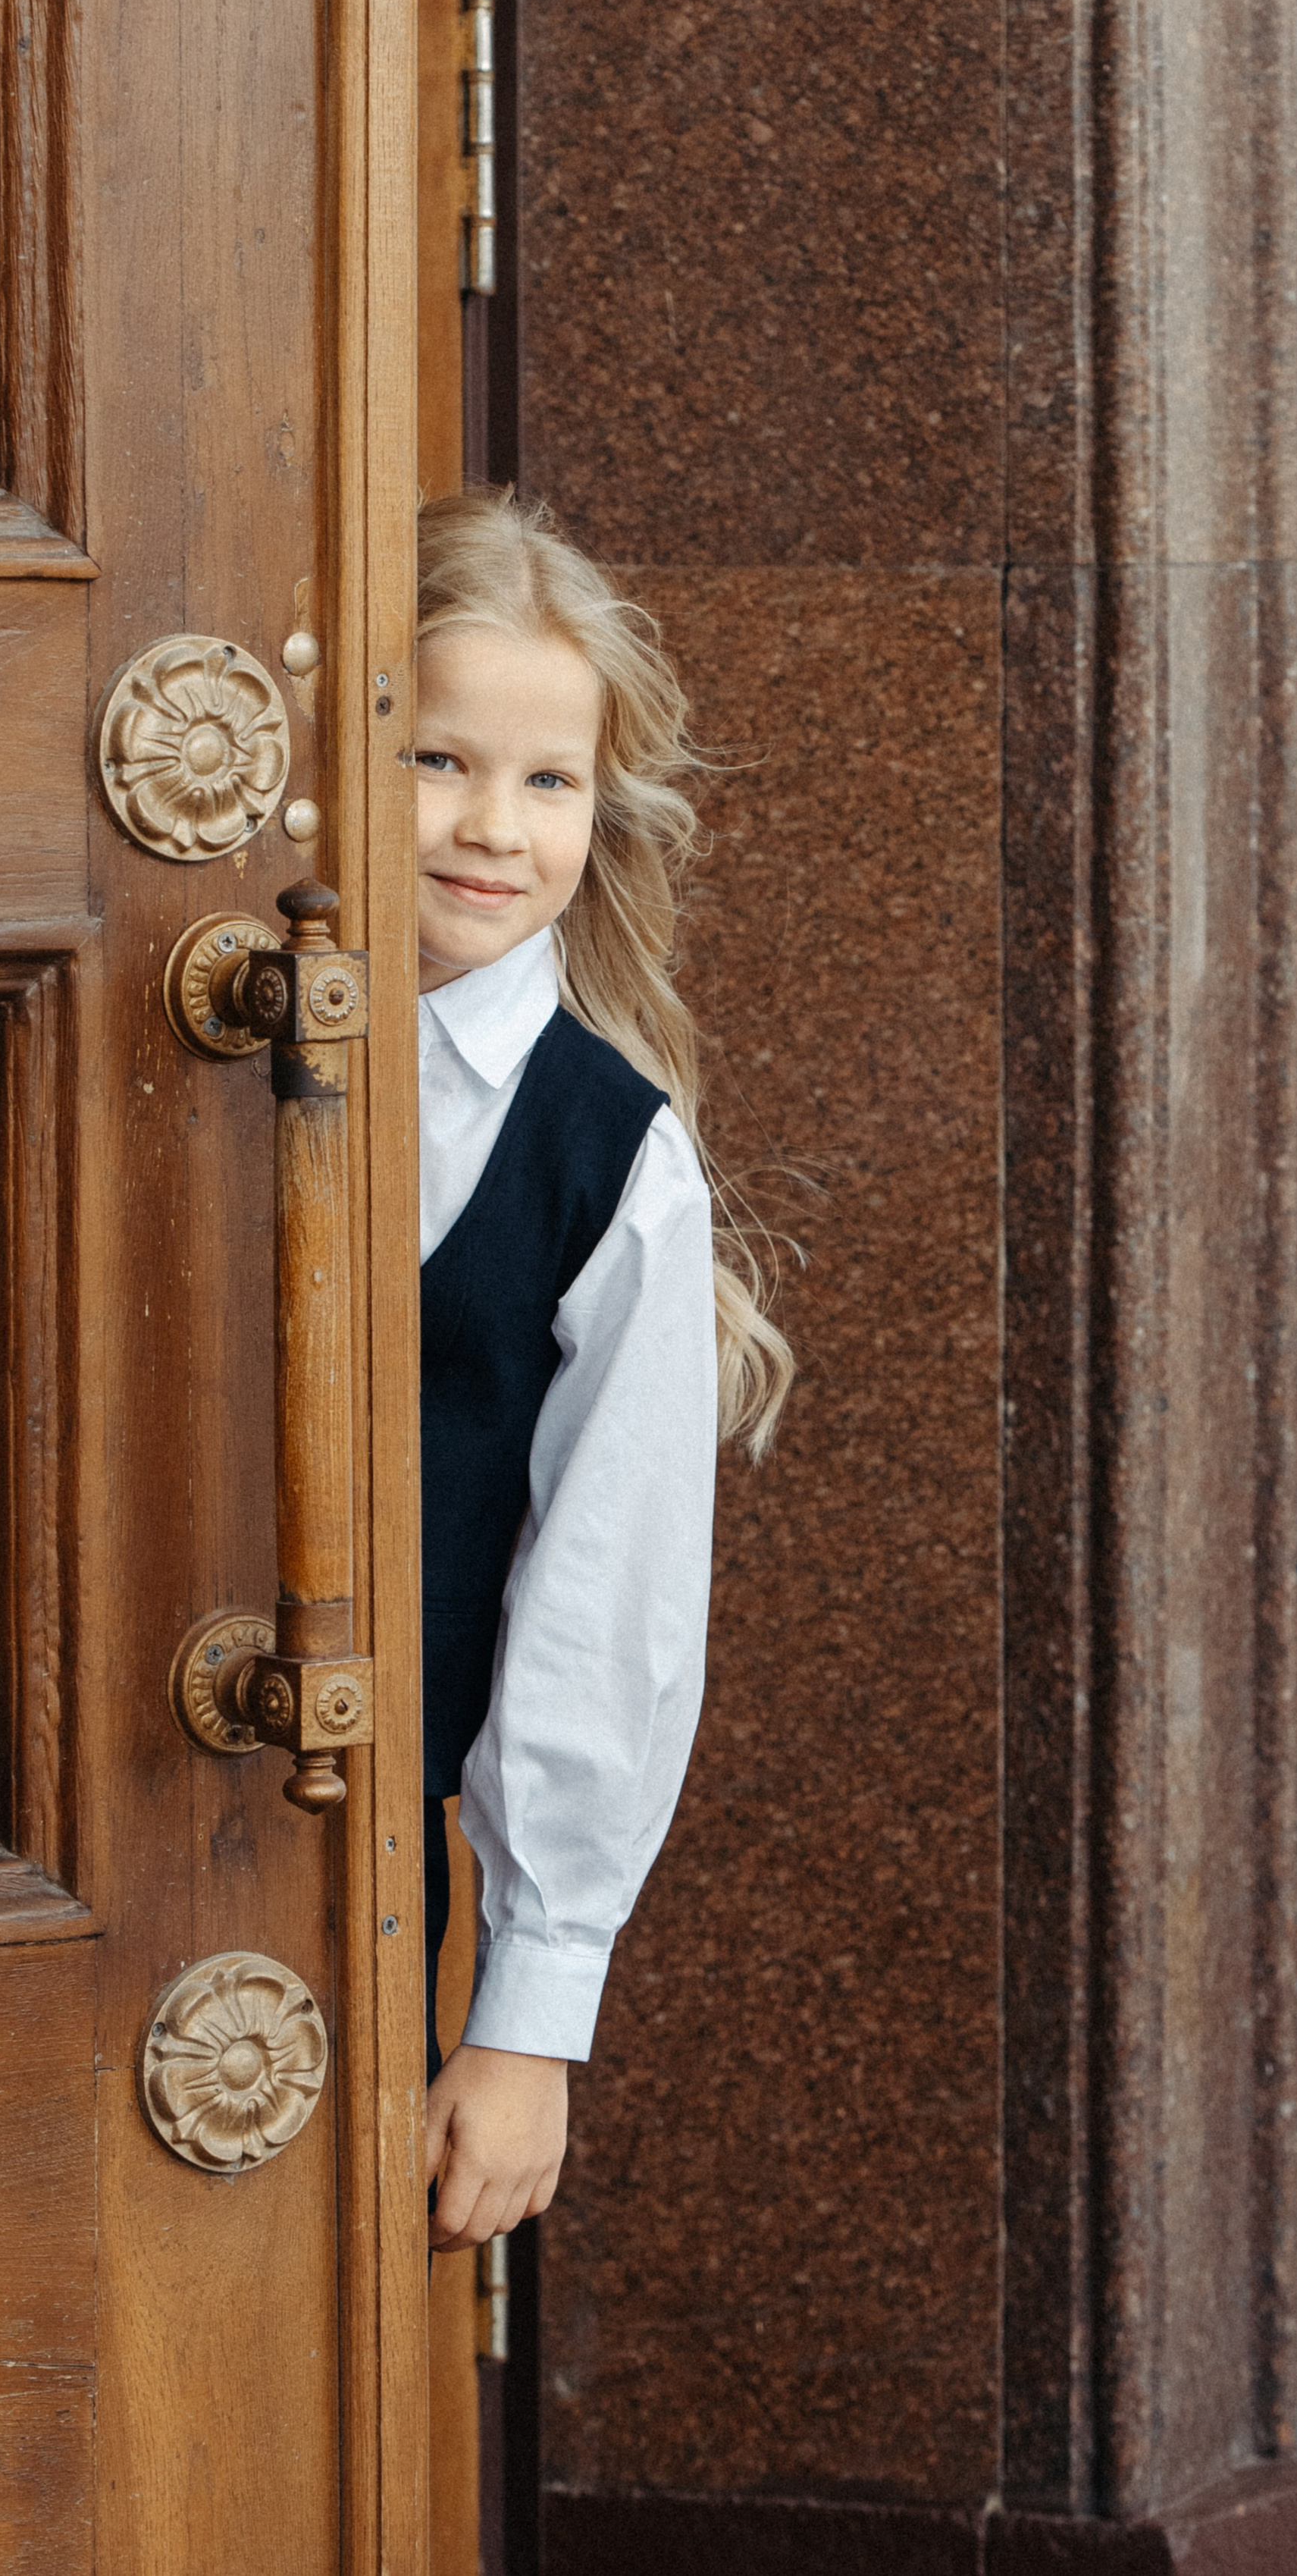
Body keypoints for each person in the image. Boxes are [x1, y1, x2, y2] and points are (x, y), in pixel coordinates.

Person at [416, 488, 794, 2255]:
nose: (491, 826)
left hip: (388, 1874)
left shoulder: (603, 1150)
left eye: (546, 781)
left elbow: (607, 1592)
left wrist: (527, 2008)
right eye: (438, 760)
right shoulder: (182, 1031)